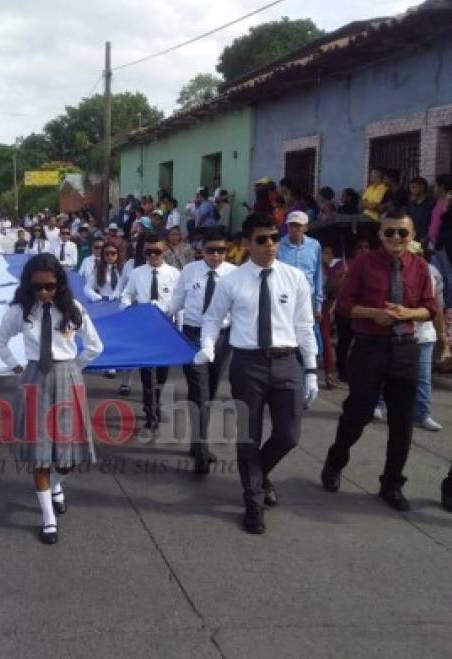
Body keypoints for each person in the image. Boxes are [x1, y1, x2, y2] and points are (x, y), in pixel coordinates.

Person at [198, 211, 319, 534]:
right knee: (248, 437)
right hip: (247, 364)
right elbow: (212, 318)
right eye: (262, 240)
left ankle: (259, 475)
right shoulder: (232, 281)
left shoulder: (294, 278)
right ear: (246, 244)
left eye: (274, 239)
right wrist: (208, 346)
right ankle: (253, 501)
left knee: (289, 435)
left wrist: (311, 370)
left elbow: (305, 326)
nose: (270, 246)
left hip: (286, 362)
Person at [321, 210, 436, 512]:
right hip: (370, 347)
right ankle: (336, 460)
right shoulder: (363, 263)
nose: (396, 238)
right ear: (380, 235)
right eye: (390, 233)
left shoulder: (420, 266)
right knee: (358, 413)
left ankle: (392, 482)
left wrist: (407, 314)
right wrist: (375, 314)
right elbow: (345, 306)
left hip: (405, 348)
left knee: (402, 422)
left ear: (412, 236)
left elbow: (429, 308)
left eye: (403, 233)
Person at [0, 253, 103, 545]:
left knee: (67, 459)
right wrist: (17, 367)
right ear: (29, 285)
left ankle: (56, 485)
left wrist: (73, 369)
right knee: (40, 455)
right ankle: (48, 519)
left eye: (50, 286)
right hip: (34, 381)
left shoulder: (73, 309)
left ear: (60, 284)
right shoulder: (21, 310)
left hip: (66, 378)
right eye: (37, 286)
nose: (43, 292)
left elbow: (95, 346)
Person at [169, 227, 237, 473]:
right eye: (211, 250)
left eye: (221, 251)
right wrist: (158, 316)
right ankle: (201, 449)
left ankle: (197, 440)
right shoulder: (189, 271)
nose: (216, 256)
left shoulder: (234, 274)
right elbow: (177, 302)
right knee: (199, 390)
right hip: (192, 335)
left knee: (210, 392)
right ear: (202, 250)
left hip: (222, 337)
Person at [120, 233, 181, 437]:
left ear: (164, 250)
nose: (153, 255)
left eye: (157, 251)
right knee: (147, 373)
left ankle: (156, 399)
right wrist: (127, 306)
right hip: (144, 327)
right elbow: (127, 294)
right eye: (148, 252)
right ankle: (149, 411)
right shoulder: (137, 273)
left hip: (166, 327)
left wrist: (179, 327)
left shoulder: (174, 274)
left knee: (162, 373)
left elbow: (179, 302)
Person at [412, 244, 444, 431]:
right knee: (390, 373)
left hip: (424, 334)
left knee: (423, 378)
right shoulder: (395, 270)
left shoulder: (432, 273)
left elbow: (438, 307)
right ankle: (379, 404)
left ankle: (422, 414)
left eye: (417, 254)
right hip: (398, 333)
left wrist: (442, 336)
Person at [277, 211, 323, 331]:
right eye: (291, 225)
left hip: (308, 298)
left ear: (305, 227)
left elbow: (318, 276)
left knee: (308, 334)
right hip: (284, 298)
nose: (294, 229)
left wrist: (318, 306)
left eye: (298, 225)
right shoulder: (278, 246)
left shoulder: (315, 245)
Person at [335, 236, 372, 382]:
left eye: (366, 247)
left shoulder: (373, 266)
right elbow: (331, 289)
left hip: (363, 311)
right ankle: (342, 370)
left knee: (362, 343)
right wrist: (340, 277)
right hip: (344, 311)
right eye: (360, 247)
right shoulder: (344, 264)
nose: (363, 250)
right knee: (344, 342)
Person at [320, 243, 347, 389]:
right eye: (325, 252)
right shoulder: (314, 268)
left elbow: (332, 293)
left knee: (325, 341)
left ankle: (329, 374)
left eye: (329, 253)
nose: (327, 256)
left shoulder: (333, 271)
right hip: (307, 308)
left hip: (323, 309)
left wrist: (340, 278)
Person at [407, 177, 434, 244]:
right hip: (413, 238)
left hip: (427, 239)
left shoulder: (432, 203)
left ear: (422, 187)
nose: (411, 190)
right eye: (410, 188)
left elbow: (434, 222)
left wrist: (427, 237)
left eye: (414, 187)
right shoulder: (411, 203)